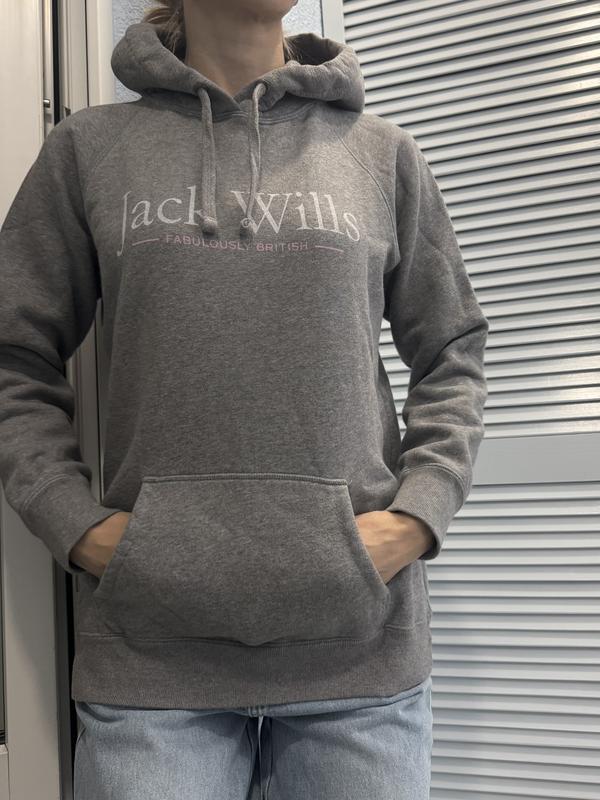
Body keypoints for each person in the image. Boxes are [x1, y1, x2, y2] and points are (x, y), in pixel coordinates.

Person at [0, 1, 489, 797]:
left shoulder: (381, 153)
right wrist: (74, 525)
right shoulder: (89, 150)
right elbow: (14, 355)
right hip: (153, 659)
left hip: (357, 658)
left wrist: (418, 514)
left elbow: (452, 349)